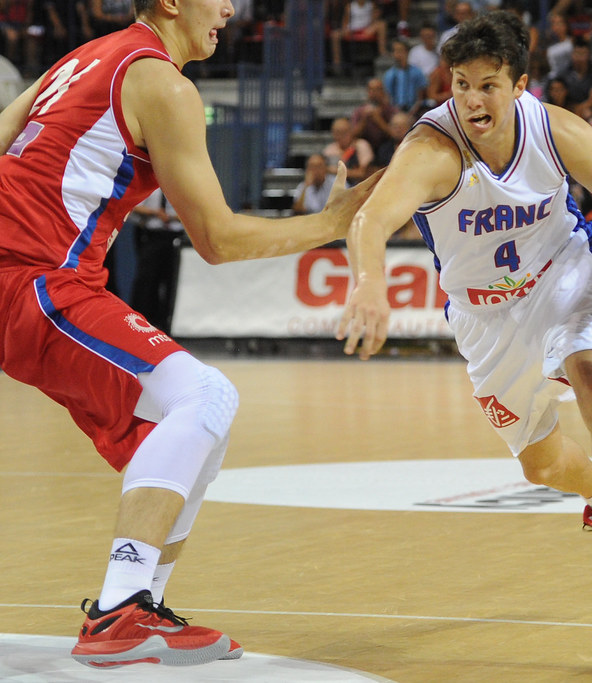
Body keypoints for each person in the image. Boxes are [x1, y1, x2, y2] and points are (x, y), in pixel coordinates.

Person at [0, 1, 380, 668]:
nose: (231, 9)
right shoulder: (161, 83)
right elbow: (218, 239)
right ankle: (120, 608)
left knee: (203, 414)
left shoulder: (82, 57)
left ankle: (136, 597)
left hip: (33, 274)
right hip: (34, 276)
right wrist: (329, 225)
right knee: (203, 396)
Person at [337, 10, 592, 658]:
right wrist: (369, 283)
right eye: (461, 83)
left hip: (566, 280)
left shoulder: (557, 132)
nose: (472, 99)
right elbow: (371, 221)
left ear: (520, 84)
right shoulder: (429, 149)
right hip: (485, 319)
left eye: (488, 84)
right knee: (541, 462)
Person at [129, 188, 183, 334]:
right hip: (152, 235)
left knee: (172, 281)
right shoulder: (151, 187)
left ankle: (167, 324)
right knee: (147, 279)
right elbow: (134, 206)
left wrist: (172, 217)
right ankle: (142, 321)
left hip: (176, 237)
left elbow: (193, 211)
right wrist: (154, 213)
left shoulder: (182, 186)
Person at [383, 38, 429, 114]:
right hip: (395, 111)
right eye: (395, 51)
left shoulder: (417, 72)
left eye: (400, 50)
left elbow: (421, 98)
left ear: (407, 52)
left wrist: (412, 113)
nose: (398, 54)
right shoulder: (389, 74)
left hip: (415, 111)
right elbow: (388, 98)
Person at [322, 115, 374, 182]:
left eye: (344, 132)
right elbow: (325, 172)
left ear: (351, 131)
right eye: (337, 132)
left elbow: (363, 173)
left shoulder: (362, 145)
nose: (341, 136)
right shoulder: (329, 150)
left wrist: (337, 171)